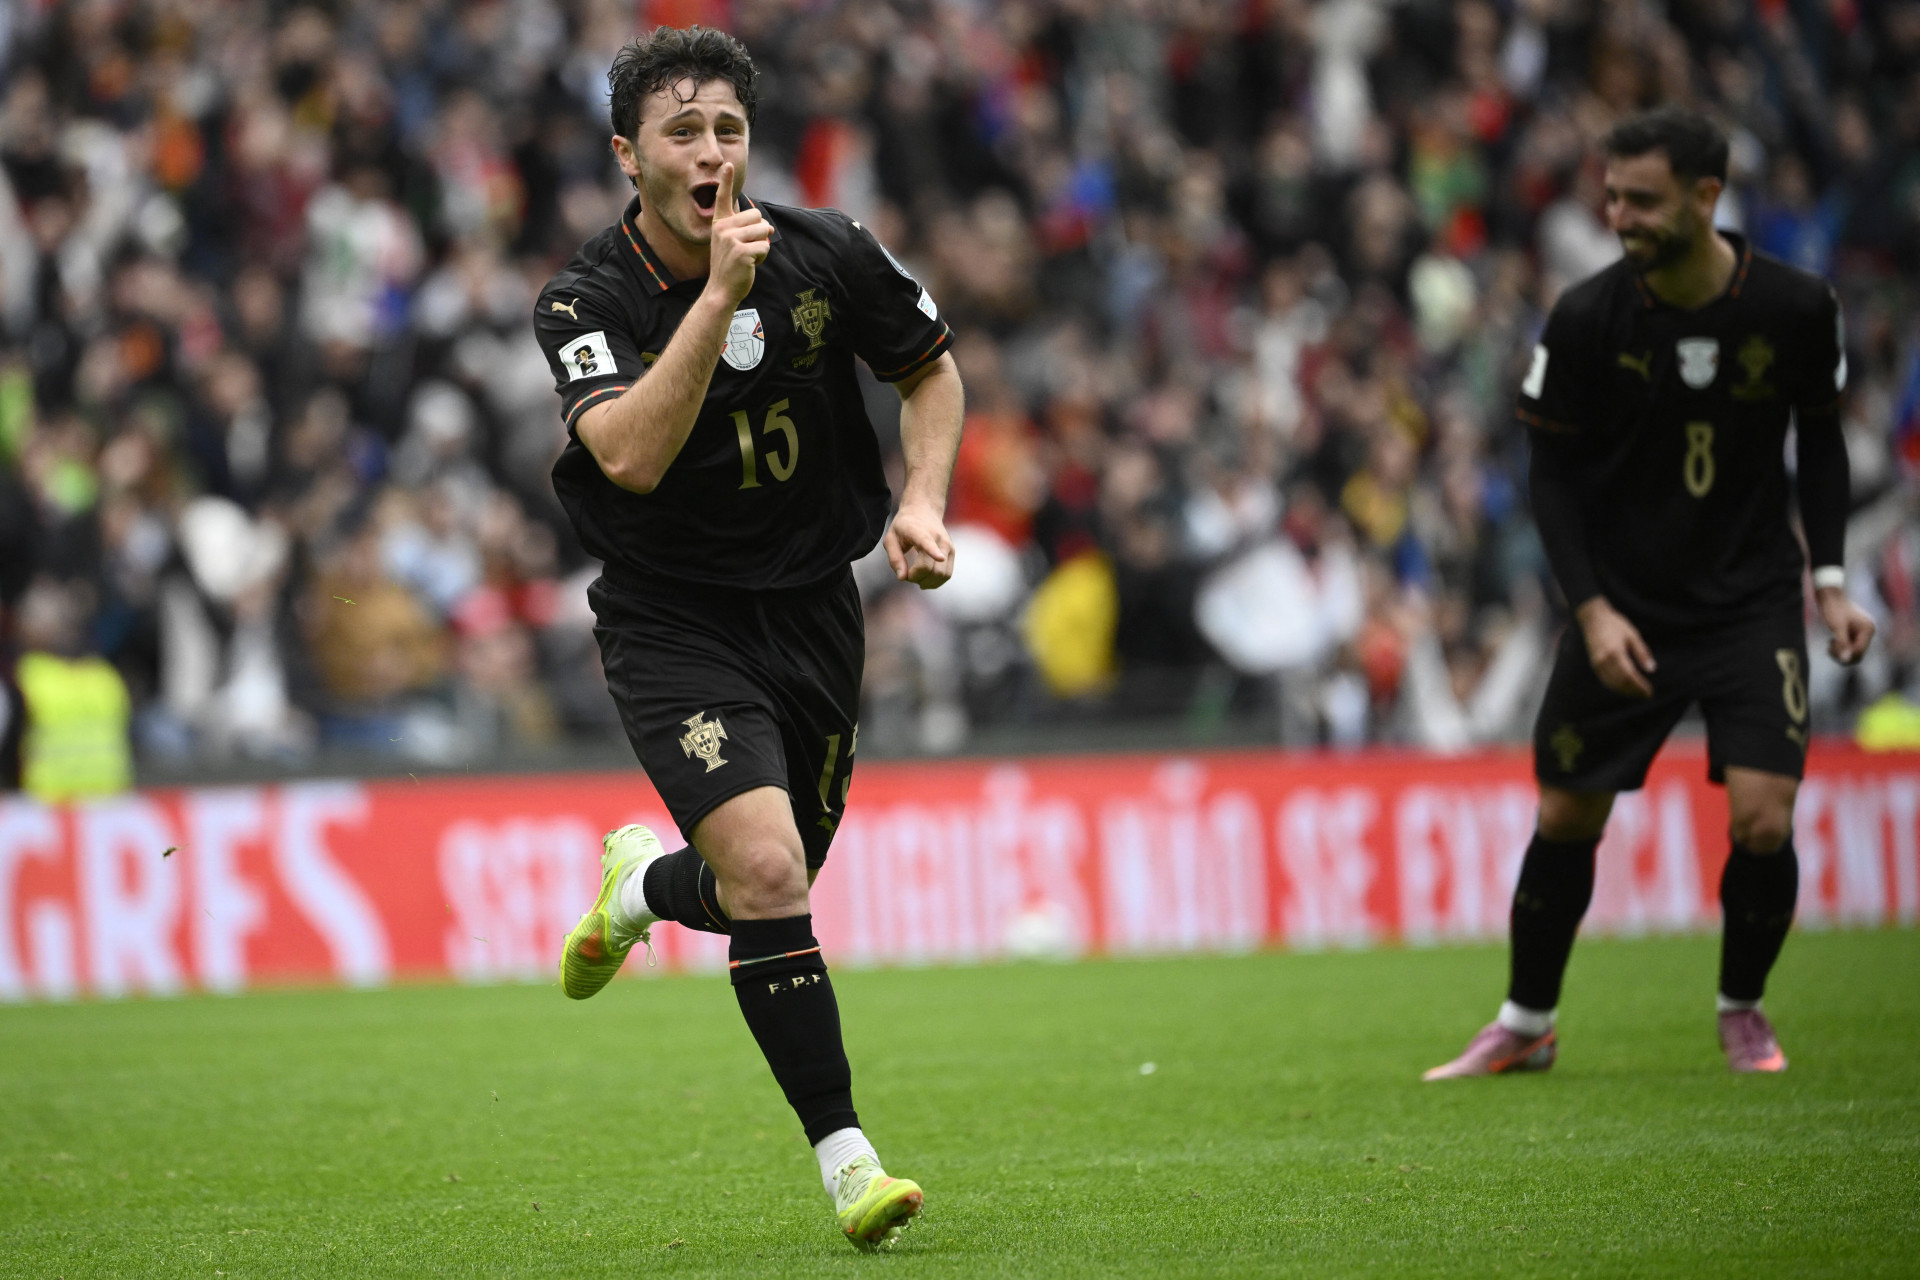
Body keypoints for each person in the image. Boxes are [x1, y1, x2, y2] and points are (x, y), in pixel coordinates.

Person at [532, 27, 963, 1248]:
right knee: (772, 874)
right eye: (682, 130)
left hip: (816, 605)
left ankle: (641, 888)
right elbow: (626, 451)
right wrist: (717, 295)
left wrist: (922, 499)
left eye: (728, 126)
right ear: (630, 156)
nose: (712, 149)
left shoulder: (826, 250)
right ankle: (850, 1160)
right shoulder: (583, 297)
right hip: (673, 615)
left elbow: (933, 372)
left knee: (768, 886)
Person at [1423, 106, 1875, 1081]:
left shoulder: (1796, 309)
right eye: (1612, 194)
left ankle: (1742, 1008)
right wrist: (1590, 609)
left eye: (1640, 198)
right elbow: (1549, 473)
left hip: (1750, 600)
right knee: (1566, 816)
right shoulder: (1588, 317)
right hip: (1624, 605)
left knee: (1762, 815)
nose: (1616, 213)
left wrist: (1830, 582)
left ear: (1706, 198)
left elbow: (1823, 441)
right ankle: (1527, 1019)